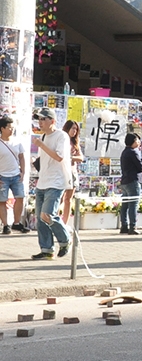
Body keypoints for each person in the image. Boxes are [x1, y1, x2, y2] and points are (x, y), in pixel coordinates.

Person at [30, 108, 72, 260]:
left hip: (56, 181)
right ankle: (47, 249)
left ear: (52, 121)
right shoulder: (43, 136)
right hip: (43, 181)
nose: (40, 122)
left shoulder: (61, 136)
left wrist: (41, 145)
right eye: (39, 119)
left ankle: (65, 239)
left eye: (43, 119)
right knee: (40, 219)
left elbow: (59, 157)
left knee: (47, 215)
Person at [0, 116, 27, 235]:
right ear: (2, 128)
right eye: (9, 127)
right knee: (2, 201)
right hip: (2, 176)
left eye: (13, 127)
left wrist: (23, 172)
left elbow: (21, 157)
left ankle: (16, 223)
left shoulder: (17, 142)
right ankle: (5, 225)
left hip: (16, 175)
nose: (11, 130)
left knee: (20, 197)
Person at [59, 120, 85, 223]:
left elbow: (81, 157)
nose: (74, 131)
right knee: (59, 198)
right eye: (72, 128)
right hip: (62, 172)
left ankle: (65, 222)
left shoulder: (75, 143)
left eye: (76, 129)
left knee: (68, 199)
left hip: (72, 172)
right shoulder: (62, 140)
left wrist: (71, 157)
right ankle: (56, 221)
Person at [119, 133, 142, 235]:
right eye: (137, 140)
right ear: (133, 141)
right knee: (133, 204)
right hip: (132, 181)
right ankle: (132, 227)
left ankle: (124, 226)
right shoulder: (133, 152)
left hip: (124, 181)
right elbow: (140, 167)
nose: (138, 142)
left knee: (125, 205)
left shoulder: (124, 152)